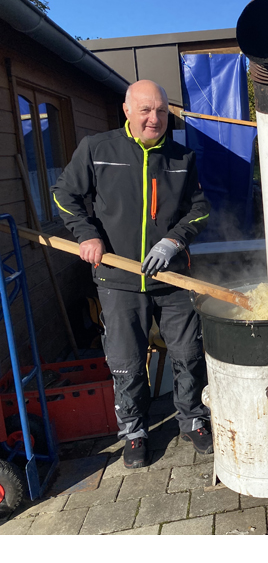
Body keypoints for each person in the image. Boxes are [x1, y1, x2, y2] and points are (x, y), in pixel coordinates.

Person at [51, 80, 212, 469]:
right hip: (118, 279)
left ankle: (192, 417)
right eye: (145, 110)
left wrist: (173, 241)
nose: (154, 118)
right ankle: (135, 432)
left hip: (172, 279)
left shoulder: (182, 155)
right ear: (126, 110)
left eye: (160, 111)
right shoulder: (97, 149)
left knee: (189, 353)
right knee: (126, 359)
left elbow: (200, 208)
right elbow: (63, 195)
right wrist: (87, 235)